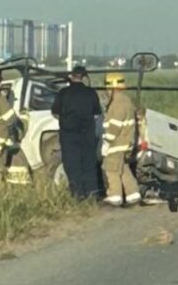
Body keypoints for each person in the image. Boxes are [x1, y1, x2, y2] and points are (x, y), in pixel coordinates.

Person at [51, 66, 102, 199]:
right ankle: (92, 194)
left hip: (69, 134)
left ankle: (77, 194)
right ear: (84, 77)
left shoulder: (63, 93)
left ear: (71, 77)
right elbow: (97, 114)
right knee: (89, 163)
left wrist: (66, 121)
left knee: (72, 164)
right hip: (87, 134)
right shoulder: (91, 93)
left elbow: (55, 113)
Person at [100, 73, 140, 206]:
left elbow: (114, 126)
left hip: (117, 144)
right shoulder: (126, 100)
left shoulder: (117, 104)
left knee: (111, 169)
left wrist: (106, 142)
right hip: (126, 143)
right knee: (123, 169)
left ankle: (114, 195)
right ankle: (133, 193)